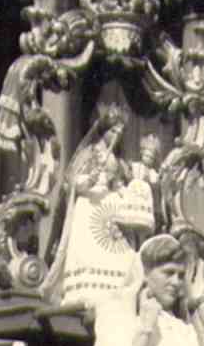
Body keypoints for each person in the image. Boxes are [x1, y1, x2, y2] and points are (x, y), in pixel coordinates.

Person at [43, 103, 139, 305]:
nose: (116, 136)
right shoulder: (88, 153)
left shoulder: (116, 159)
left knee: (121, 254)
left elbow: (118, 182)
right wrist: (88, 180)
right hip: (90, 203)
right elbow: (72, 183)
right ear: (104, 130)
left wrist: (124, 192)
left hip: (110, 208)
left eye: (119, 132)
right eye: (113, 131)